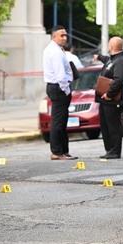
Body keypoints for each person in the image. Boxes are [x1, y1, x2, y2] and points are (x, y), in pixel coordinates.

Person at [43, 25, 77, 160]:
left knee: (62, 121)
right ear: (54, 36)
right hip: (59, 88)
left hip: (56, 87)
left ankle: (63, 150)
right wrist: (66, 90)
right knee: (58, 121)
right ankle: (57, 152)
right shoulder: (56, 52)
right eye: (61, 36)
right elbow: (60, 75)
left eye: (65, 35)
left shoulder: (55, 49)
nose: (64, 38)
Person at [93, 37, 123, 159]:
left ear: (111, 47)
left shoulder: (121, 61)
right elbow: (107, 59)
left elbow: (119, 80)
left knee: (113, 126)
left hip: (112, 101)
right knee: (105, 125)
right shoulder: (112, 59)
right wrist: (99, 57)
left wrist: (109, 94)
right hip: (104, 100)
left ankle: (115, 151)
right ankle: (109, 150)